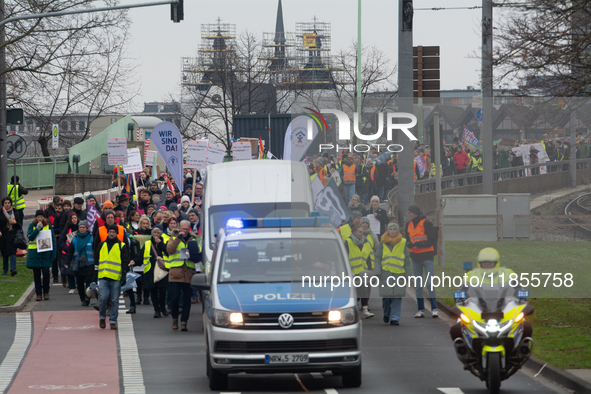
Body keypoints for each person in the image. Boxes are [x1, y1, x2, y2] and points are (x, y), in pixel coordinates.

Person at [449, 248, 532, 341]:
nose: (487, 265)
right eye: (484, 263)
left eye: (490, 263)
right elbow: (463, 290)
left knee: (526, 327)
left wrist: (521, 295)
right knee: (456, 329)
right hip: (477, 308)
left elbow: (518, 288)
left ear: (496, 263)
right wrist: (460, 297)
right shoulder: (471, 275)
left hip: (504, 307)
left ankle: (521, 350)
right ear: (479, 263)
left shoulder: (508, 273)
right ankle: (464, 348)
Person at [95, 224, 131, 330]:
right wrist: (94, 275)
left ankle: (113, 321)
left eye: (114, 232)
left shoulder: (122, 246)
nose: (111, 234)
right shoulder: (102, 245)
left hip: (116, 277)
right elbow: (97, 261)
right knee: (102, 298)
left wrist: (124, 275)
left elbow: (125, 261)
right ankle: (102, 317)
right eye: (110, 232)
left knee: (115, 300)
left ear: (117, 233)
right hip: (103, 276)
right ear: (107, 233)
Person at [166, 220, 201, 331]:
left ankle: (184, 321)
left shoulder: (193, 240)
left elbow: (197, 257)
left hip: (189, 273)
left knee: (187, 300)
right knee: (175, 298)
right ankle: (175, 319)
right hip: (176, 274)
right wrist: (179, 238)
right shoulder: (172, 238)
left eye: (187, 229)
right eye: (183, 229)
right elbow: (170, 250)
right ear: (179, 228)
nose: (185, 231)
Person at [405, 204, 438, 318]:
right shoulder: (408, 225)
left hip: (427, 257)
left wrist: (417, 244)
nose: (408, 214)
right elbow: (408, 240)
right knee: (418, 286)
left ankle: (434, 308)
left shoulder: (426, 223)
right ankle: (421, 309)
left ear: (415, 213)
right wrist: (409, 245)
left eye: (409, 212)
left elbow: (432, 240)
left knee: (429, 283)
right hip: (415, 258)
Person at [375, 223, 411, 325]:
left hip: (399, 274)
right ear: (387, 230)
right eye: (390, 229)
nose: (392, 231)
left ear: (397, 230)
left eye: (394, 229)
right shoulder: (382, 242)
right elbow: (378, 258)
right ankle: (387, 313)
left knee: (397, 296)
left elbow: (407, 261)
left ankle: (395, 318)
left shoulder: (403, 242)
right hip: (385, 273)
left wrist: (409, 276)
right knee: (386, 297)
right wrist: (377, 272)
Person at [344, 224, 374, 319]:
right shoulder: (348, 242)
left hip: (363, 272)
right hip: (352, 272)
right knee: (354, 292)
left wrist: (371, 270)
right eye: (360, 232)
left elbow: (369, 257)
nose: (362, 233)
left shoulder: (366, 242)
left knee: (364, 290)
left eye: (362, 232)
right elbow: (344, 257)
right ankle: (354, 310)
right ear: (354, 232)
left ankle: (365, 309)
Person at [26, 210, 56, 301]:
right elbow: (30, 237)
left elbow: (53, 241)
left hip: (45, 254)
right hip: (35, 255)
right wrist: (37, 229)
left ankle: (46, 292)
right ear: (36, 218)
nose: (39, 218)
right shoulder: (32, 225)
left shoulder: (48, 226)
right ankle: (38, 293)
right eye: (38, 217)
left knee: (46, 273)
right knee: (36, 275)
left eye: (41, 217)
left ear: (44, 218)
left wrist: (53, 254)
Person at [63, 220, 94, 306]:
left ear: (87, 228)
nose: (82, 229)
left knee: (88, 282)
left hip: (89, 264)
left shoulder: (92, 238)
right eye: (80, 227)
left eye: (83, 227)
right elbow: (70, 251)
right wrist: (67, 262)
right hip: (78, 264)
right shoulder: (75, 239)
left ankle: (88, 297)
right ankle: (83, 299)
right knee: (80, 284)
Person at [142, 226, 169, 318]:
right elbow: (141, 255)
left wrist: (160, 243)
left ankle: (162, 308)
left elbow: (168, 251)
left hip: (162, 270)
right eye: (154, 233)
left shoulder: (165, 241)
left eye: (158, 233)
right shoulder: (147, 243)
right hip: (151, 270)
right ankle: (156, 310)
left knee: (162, 291)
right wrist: (135, 261)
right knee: (153, 291)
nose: (156, 235)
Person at [59, 212, 79, 294]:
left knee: (78, 270)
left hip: (78, 253)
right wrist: (67, 248)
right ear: (70, 220)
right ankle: (71, 287)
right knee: (69, 271)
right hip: (68, 253)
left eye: (75, 218)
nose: (74, 220)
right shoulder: (66, 229)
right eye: (73, 218)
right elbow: (61, 241)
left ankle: (78, 284)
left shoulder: (80, 228)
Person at [1, 197, 19, 276]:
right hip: (3, 235)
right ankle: (5, 270)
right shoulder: (1, 213)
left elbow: (19, 225)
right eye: (5, 203)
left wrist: (15, 223)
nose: (7, 204)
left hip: (12, 235)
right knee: (5, 253)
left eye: (8, 203)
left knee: (12, 252)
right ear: (3, 204)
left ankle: (13, 269)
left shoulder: (15, 212)